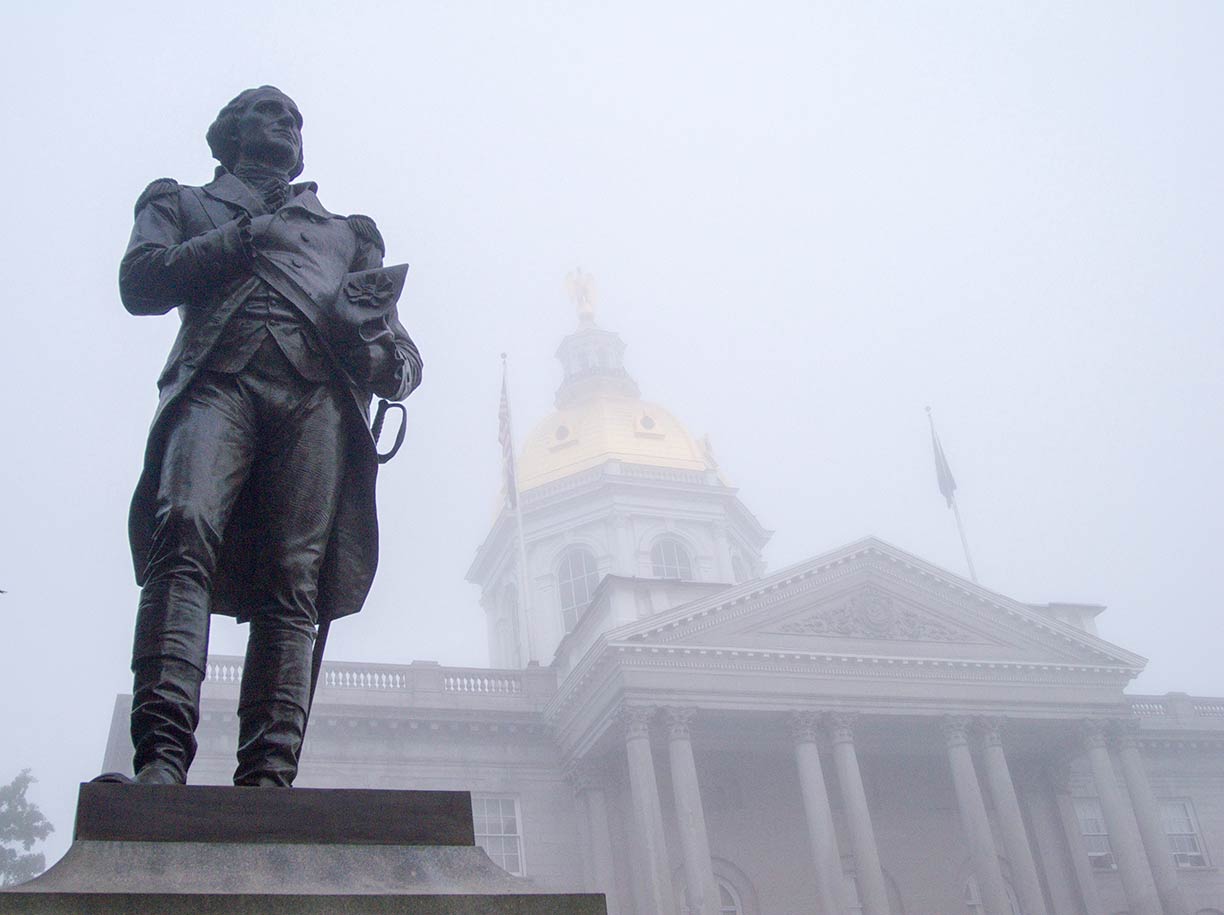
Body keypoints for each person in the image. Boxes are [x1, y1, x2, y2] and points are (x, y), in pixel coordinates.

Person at [116, 86, 421, 787]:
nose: (284, 124)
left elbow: (402, 362)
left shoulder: (347, 234)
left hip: (312, 400)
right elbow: (140, 283)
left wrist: (366, 350)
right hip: (216, 382)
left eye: (294, 118)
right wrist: (243, 237)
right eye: (267, 112)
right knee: (184, 529)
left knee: (295, 574)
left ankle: (268, 773)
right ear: (229, 133)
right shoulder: (183, 201)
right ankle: (160, 757)